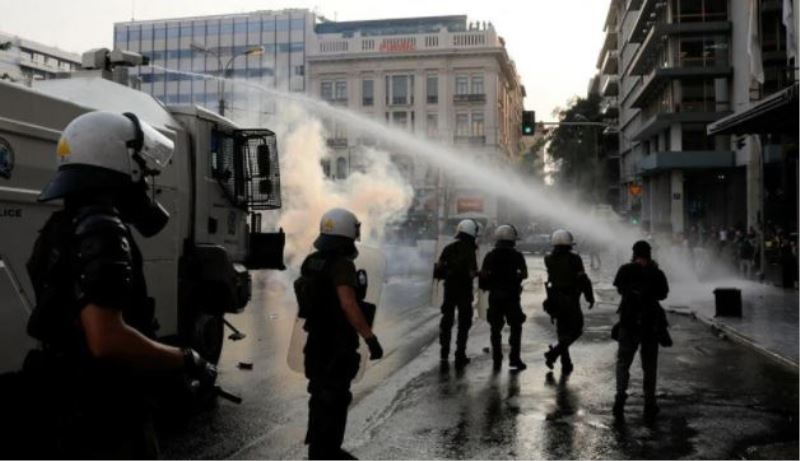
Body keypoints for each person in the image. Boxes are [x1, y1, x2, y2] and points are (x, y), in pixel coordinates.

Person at [20, 111, 216, 458]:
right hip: (105, 415)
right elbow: (105, 338)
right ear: (120, 165)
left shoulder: (60, 226)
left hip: (68, 401)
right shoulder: (102, 229)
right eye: (142, 169)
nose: (145, 181)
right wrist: (185, 358)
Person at [299, 208, 384, 460]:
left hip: (314, 342)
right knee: (334, 400)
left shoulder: (311, 261)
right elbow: (348, 304)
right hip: (336, 345)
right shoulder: (342, 265)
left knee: (318, 397)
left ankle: (318, 450)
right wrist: (370, 338)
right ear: (348, 233)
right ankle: (329, 452)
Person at [612, 240, 670, 421]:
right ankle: (650, 404)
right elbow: (663, 294)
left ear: (634, 253)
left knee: (623, 363)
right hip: (650, 325)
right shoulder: (657, 273)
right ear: (649, 254)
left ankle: (620, 398)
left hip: (628, 323)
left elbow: (619, 289)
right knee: (649, 366)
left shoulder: (625, 270)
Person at [543, 229, 594, 374]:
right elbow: (583, 279)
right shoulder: (574, 259)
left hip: (555, 300)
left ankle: (566, 362)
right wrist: (589, 297)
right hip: (571, 299)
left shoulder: (548, 258)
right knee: (576, 329)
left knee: (562, 332)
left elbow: (551, 278)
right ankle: (554, 354)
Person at [479, 224, 528, 371]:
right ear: (513, 239)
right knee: (516, 327)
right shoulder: (517, 256)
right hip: (512, 297)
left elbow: (483, 278)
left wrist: (491, 284)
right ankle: (514, 359)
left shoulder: (490, 256)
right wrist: (514, 279)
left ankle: (497, 358)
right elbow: (524, 274)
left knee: (495, 329)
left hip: (495, 297)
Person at [434, 219, 479, 368]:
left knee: (446, 320)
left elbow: (439, 267)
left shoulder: (448, 248)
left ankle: (444, 352)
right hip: (464, 291)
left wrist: (448, 272)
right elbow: (472, 273)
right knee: (464, 322)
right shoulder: (470, 250)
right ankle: (460, 354)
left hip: (449, 290)